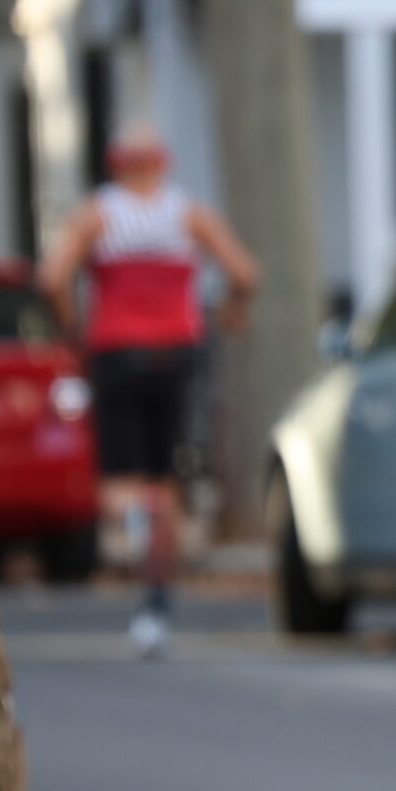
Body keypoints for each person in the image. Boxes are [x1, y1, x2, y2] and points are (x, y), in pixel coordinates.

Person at [38, 125, 259, 657]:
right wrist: (231, 312)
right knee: (163, 481)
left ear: (115, 164)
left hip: (116, 353)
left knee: (121, 483)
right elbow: (244, 273)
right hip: (177, 355)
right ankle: (157, 595)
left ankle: (144, 556)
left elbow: (52, 277)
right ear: (162, 163)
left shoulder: (98, 214)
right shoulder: (187, 214)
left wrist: (72, 328)